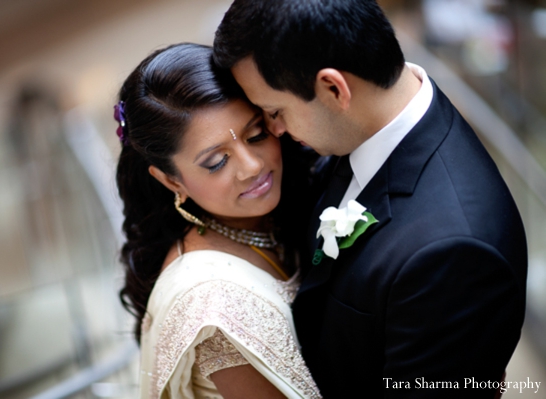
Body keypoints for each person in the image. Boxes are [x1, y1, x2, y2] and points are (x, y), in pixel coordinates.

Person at [213, 0, 528, 397]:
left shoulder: (454, 254)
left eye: (275, 111)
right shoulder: (367, 127)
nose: (274, 130)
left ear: (333, 88)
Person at [114, 43, 322, 398]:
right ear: (171, 181)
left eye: (256, 134)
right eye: (216, 162)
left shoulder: (273, 213)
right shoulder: (212, 303)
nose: (252, 165)